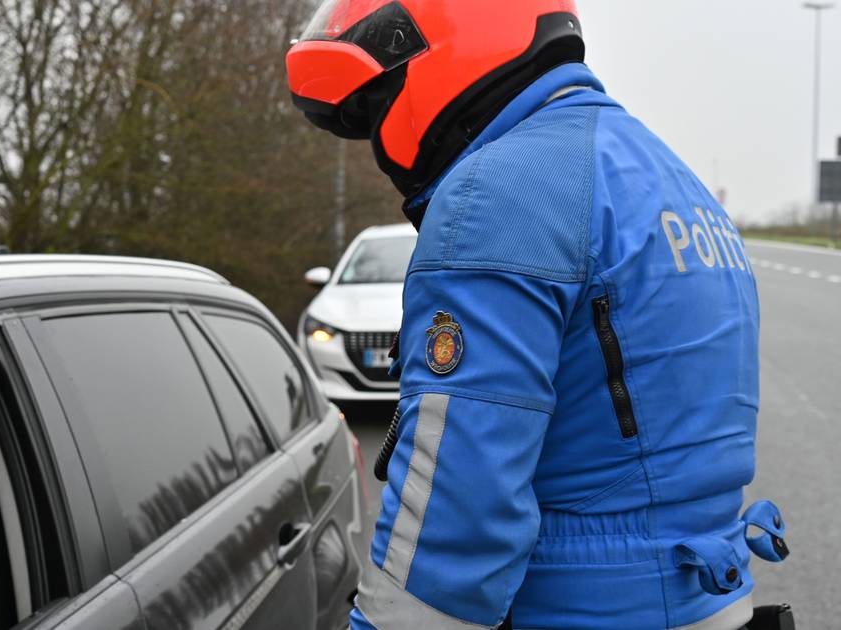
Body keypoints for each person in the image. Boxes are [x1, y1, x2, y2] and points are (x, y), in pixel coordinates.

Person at [286, 2, 789, 629]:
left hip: (578, 610)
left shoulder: (497, 192)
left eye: (380, 101)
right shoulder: (665, 177)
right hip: (712, 594)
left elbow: (454, 526)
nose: (382, 139)